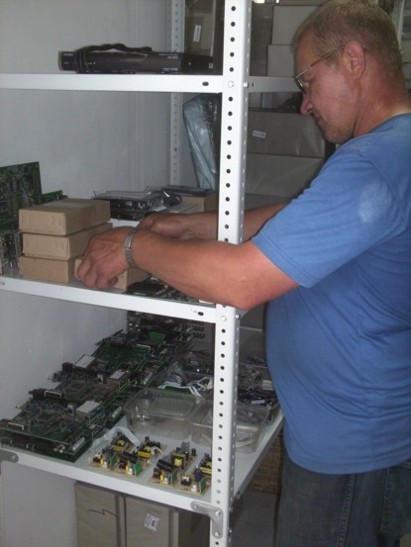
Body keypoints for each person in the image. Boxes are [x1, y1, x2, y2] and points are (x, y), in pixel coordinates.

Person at [77, 1, 411, 545]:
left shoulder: (373, 162)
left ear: (353, 59)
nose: (305, 104)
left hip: (350, 452)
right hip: (358, 433)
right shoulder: (390, 150)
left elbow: (239, 283)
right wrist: (200, 226)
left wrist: (132, 247)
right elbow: (305, 219)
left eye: (308, 80)